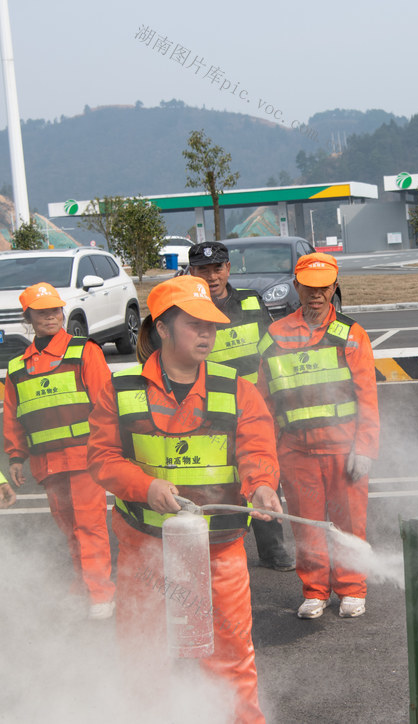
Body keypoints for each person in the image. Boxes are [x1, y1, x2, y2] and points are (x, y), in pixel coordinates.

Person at [87, 276, 282, 724]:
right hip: (145, 547)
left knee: (230, 653)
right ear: (163, 328)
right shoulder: (121, 391)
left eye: (211, 325)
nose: (208, 334)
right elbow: (101, 459)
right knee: (142, 652)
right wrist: (144, 486)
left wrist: (263, 485)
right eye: (196, 325)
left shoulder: (236, 389)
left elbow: (256, 450)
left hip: (219, 550)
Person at [256, 252, 380, 619]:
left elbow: (367, 396)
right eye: (309, 287)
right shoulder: (274, 337)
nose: (316, 294)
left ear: (334, 287)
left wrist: (366, 447)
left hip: (344, 450)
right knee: (306, 524)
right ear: (297, 287)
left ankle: (352, 589)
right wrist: (269, 453)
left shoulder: (351, 334)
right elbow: (263, 401)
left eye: (323, 287)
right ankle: (315, 590)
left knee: (349, 524)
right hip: (295, 451)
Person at [3, 282, 115, 619]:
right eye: (42, 312)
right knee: (69, 528)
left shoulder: (85, 352)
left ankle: (100, 594)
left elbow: (105, 403)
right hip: (46, 463)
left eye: (55, 309)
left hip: (84, 458)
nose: (51, 316)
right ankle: (82, 587)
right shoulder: (18, 367)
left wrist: (110, 448)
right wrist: (15, 457)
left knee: (89, 525)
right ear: (29, 318)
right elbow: (13, 417)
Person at [188, 240, 295, 571]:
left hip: (254, 412)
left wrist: (278, 403)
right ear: (192, 272)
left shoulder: (250, 302)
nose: (211, 276)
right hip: (209, 415)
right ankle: (213, 552)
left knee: (262, 478)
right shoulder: (187, 309)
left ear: (228, 269)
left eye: (217, 268)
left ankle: (272, 547)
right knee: (212, 483)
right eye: (203, 269)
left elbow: (271, 355)